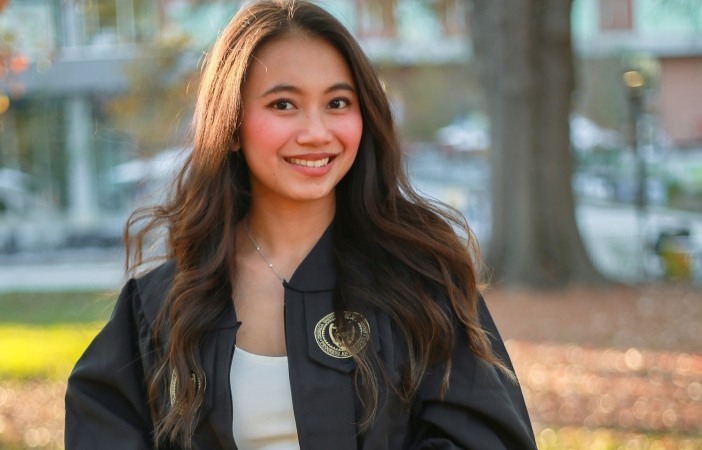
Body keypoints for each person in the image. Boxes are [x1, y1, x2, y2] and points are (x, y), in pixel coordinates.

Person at [65, 1, 537, 449]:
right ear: (230, 127)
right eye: (283, 105)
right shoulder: (161, 308)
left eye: (337, 103)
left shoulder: (420, 284)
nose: (316, 132)